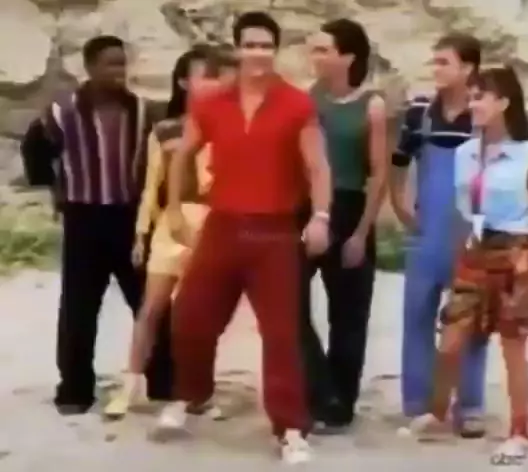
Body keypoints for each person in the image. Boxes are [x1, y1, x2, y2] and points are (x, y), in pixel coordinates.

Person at [157, 11, 332, 464]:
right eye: (250, 45)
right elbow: (182, 155)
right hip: (223, 225)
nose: (258, 53)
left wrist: (321, 216)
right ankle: (191, 395)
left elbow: (317, 166)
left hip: (275, 232)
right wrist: (173, 209)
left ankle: (290, 428)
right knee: (190, 318)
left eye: (266, 46)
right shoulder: (211, 102)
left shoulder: (296, 103)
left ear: (276, 50)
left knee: (281, 334)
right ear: (237, 49)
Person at [404, 65, 528, 465]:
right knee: (451, 338)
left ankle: (519, 431)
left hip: (515, 253)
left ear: (504, 102)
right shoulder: (465, 154)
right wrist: (459, 257)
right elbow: (462, 211)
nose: (473, 105)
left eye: (480, 97)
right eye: (471, 98)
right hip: (474, 250)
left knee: (513, 347)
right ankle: (439, 413)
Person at [35, 35, 172, 415]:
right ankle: (75, 389)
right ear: (90, 67)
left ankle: (163, 381)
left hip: (129, 218)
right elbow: (37, 151)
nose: (118, 72)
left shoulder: (141, 111)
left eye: (122, 64)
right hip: (83, 218)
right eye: (110, 64)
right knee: (79, 307)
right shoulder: (61, 112)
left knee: (149, 302)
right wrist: (57, 191)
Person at [103, 44, 238, 419]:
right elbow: (151, 185)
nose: (215, 83)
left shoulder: (232, 126)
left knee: (198, 316)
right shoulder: (164, 130)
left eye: (219, 77)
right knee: (150, 309)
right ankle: (130, 387)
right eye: (206, 76)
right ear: (183, 82)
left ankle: (198, 393)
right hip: (171, 223)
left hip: (214, 224)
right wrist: (141, 233)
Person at [391, 33, 489, 436]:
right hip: (427, 231)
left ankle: (470, 406)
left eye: (444, 62)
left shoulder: (485, 113)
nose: (436, 69)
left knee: (471, 322)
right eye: (434, 61)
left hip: (472, 235)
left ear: (468, 68)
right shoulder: (419, 112)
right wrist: (399, 204)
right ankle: (418, 403)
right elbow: (399, 161)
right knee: (417, 315)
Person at [302, 19, 388, 433]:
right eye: (314, 50)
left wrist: (361, 233)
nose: (315, 57)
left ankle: (340, 405)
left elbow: (378, 173)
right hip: (309, 208)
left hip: (351, 209)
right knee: (288, 301)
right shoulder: (310, 97)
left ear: (348, 56)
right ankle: (321, 389)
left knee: (349, 315)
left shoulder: (372, 105)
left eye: (324, 50)